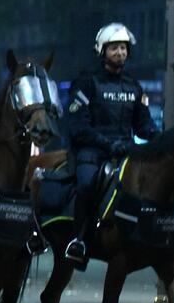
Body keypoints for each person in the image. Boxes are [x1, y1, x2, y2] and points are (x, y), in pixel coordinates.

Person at [63, 22, 158, 267]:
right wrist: (106, 143)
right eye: (114, 48)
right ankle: (78, 240)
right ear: (102, 51)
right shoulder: (86, 83)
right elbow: (77, 126)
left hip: (125, 152)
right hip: (92, 152)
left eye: (124, 48)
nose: (120, 53)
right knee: (85, 185)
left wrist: (159, 138)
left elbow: (143, 125)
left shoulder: (134, 86)